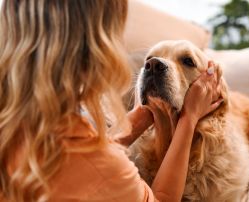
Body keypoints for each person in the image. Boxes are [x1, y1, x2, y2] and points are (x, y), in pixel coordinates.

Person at [0, 0, 222, 201]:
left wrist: (142, 114)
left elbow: (88, 152)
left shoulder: (20, 122)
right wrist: (189, 118)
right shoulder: (103, 169)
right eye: (115, 32)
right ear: (96, 50)